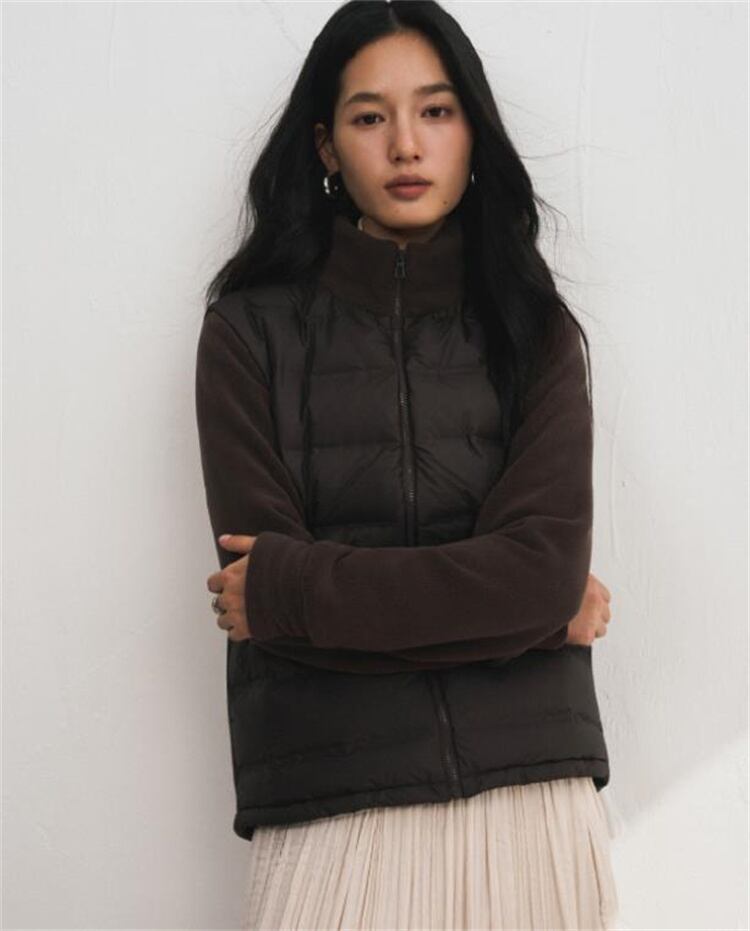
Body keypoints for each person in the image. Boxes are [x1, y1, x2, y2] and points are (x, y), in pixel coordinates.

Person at [194, 2, 620, 928]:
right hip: (329, 798)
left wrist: (299, 589)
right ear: (325, 145)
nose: (405, 146)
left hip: (530, 792)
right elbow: (259, 593)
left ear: (473, 131)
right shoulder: (246, 336)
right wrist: (536, 616)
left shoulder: (537, 332)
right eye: (368, 116)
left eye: (435, 110)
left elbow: (537, 572)